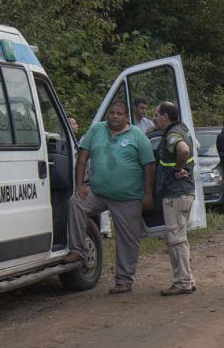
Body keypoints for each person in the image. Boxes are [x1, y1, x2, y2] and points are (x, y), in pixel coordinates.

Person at [64, 101, 155, 294]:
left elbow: (149, 165)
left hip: (128, 197)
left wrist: (147, 194)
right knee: (76, 203)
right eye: (111, 113)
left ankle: (124, 281)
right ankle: (78, 250)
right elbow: (83, 155)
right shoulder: (97, 130)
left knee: (127, 239)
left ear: (126, 117)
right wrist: (80, 184)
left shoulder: (138, 136)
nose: (114, 116)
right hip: (98, 192)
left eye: (119, 114)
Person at [152, 101, 197, 296]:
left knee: (176, 239)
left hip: (175, 194)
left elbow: (184, 150)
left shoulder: (172, 135)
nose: (154, 118)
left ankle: (182, 282)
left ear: (165, 116)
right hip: (183, 192)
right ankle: (188, 279)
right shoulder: (182, 128)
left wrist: (177, 168)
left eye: (156, 115)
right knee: (180, 237)